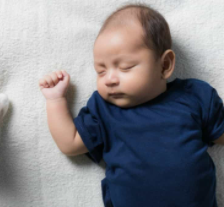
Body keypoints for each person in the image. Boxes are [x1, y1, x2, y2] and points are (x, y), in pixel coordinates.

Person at [39, 4, 224, 207]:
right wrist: (55, 100)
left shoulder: (194, 97)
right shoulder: (104, 110)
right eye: (100, 71)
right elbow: (70, 142)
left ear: (164, 65)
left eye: (125, 67)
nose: (109, 79)